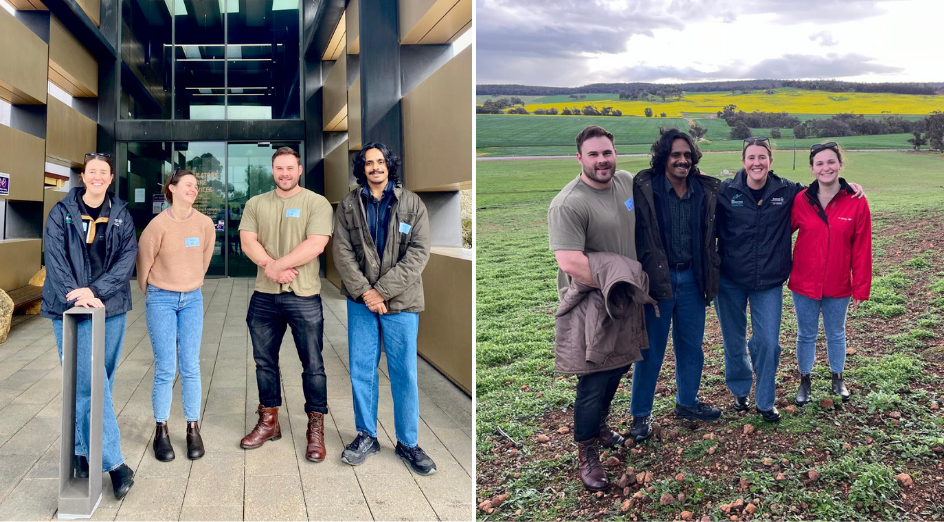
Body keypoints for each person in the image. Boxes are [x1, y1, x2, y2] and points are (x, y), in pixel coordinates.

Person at [715, 138, 865, 422]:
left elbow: (822, 188)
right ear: (743, 161)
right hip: (730, 280)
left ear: (770, 161)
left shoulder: (787, 191)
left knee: (768, 343)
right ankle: (740, 390)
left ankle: (765, 402)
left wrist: (849, 188)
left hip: (768, 281)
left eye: (762, 157)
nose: (757, 162)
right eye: (751, 157)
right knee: (734, 342)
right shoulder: (725, 190)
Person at [548, 125, 645, 491]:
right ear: (579, 158)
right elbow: (571, 262)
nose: (602, 160)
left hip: (624, 296)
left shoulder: (625, 183)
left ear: (615, 154)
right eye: (593, 154)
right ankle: (586, 450)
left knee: (619, 364)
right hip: (591, 299)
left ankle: (600, 425)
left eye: (607, 153)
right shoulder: (568, 203)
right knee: (593, 377)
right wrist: (620, 281)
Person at [332, 142, 437, 475]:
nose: (375, 167)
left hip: (402, 302)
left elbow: (418, 254)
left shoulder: (412, 204)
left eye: (380, 161)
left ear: (389, 165)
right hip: (361, 302)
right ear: (361, 168)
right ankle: (367, 436)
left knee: (404, 372)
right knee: (362, 370)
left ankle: (408, 443)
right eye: (368, 162)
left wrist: (381, 291)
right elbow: (342, 252)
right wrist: (367, 292)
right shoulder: (349, 204)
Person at [41, 152, 137, 500]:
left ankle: (82, 452)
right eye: (91, 171)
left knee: (101, 383)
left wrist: (95, 291)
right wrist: (77, 294)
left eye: (103, 172)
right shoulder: (61, 212)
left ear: (110, 178)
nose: (97, 176)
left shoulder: (121, 215)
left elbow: (126, 261)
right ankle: (115, 464)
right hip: (69, 308)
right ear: (83, 176)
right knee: (89, 384)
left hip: (110, 307)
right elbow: (55, 259)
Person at [238, 146, 333, 463]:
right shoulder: (256, 203)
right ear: (272, 170)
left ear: (299, 170)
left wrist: (278, 266)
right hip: (264, 296)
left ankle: (315, 428)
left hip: (303, 296)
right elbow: (248, 241)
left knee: (313, 365)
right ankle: (269, 421)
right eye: (279, 168)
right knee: (264, 363)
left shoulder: (316, 203)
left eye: (290, 168)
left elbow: (316, 244)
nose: (284, 173)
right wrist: (271, 267)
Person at [630, 128, 722, 442]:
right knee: (651, 351)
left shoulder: (704, 189)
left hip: (694, 279)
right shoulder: (646, 189)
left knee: (691, 347)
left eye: (687, 155)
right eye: (675, 155)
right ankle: (640, 414)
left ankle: (687, 403)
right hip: (658, 281)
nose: (682, 160)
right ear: (663, 158)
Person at [136, 169, 215, 461]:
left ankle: (193, 428)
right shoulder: (157, 226)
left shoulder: (205, 224)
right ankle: (161, 430)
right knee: (166, 367)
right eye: (188, 185)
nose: (194, 189)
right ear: (172, 188)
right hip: (161, 299)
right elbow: (143, 265)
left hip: (192, 298)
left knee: (191, 365)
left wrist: (190, 282)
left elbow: (204, 259)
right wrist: (157, 291)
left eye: (196, 186)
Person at [789, 142, 872, 405]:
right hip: (804, 283)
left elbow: (862, 248)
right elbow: (778, 234)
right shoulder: (801, 200)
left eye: (831, 162)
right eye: (820, 163)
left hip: (838, 284)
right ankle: (805, 380)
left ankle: (838, 378)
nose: (826, 168)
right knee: (806, 334)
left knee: (836, 333)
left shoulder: (856, 201)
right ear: (812, 169)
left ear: (840, 164)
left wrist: (861, 287)